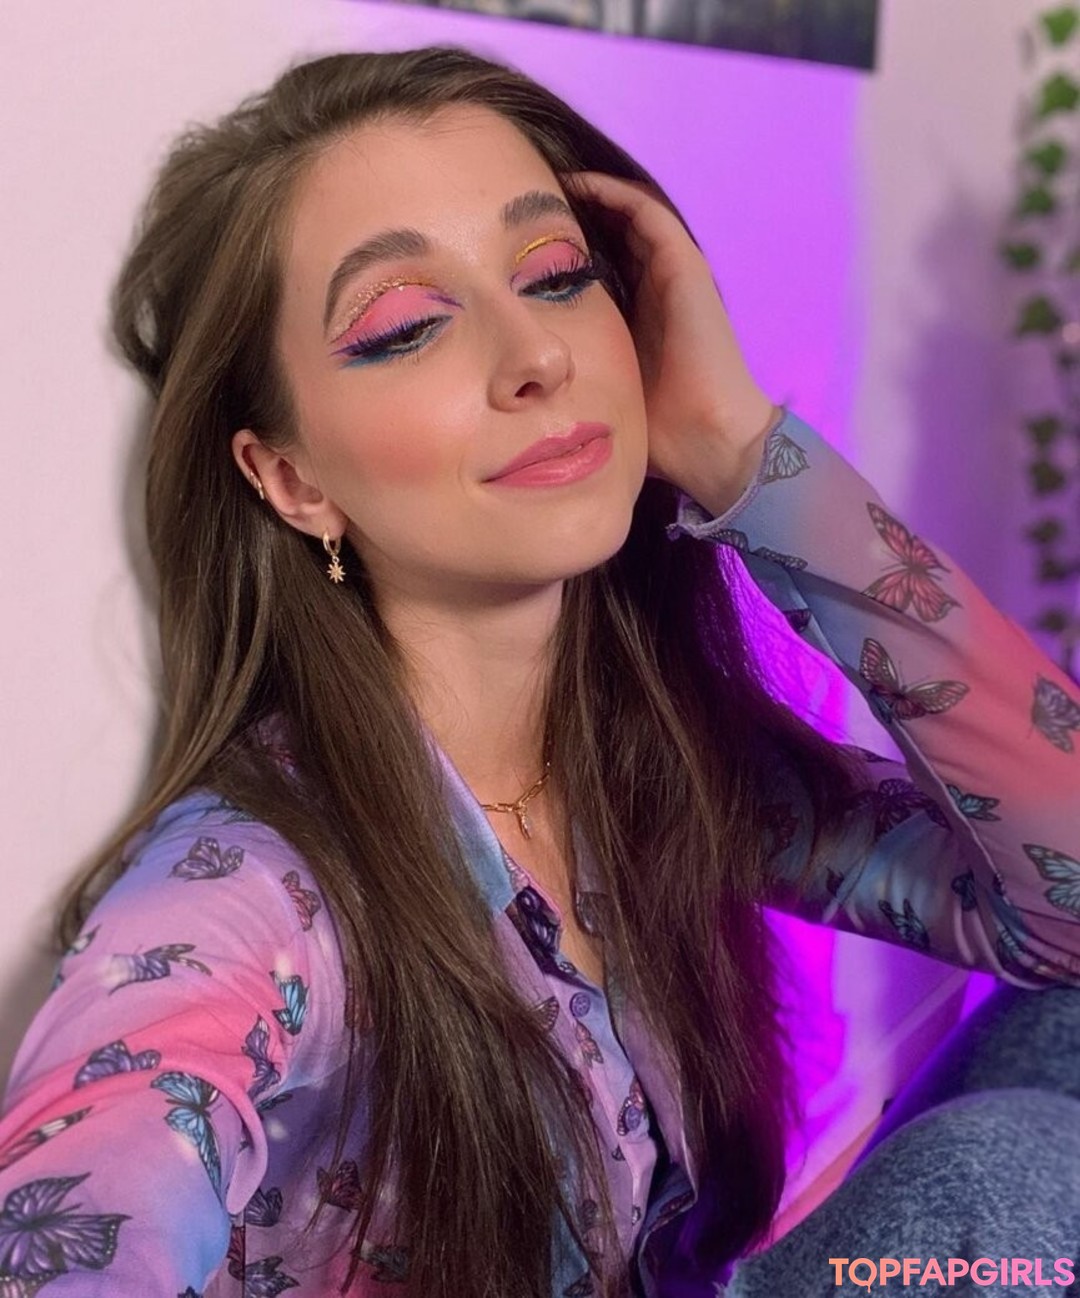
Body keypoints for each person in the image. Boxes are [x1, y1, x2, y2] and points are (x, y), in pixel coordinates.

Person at [0, 44, 1078, 1298]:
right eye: (404, 327)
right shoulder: (244, 897)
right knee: (996, 1172)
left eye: (557, 276)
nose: (538, 355)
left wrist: (738, 448)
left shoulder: (649, 760)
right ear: (292, 479)